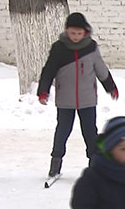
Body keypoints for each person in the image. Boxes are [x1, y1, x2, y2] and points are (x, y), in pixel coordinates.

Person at [38, 12, 119, 178]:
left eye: (79, 33)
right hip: (65, 100)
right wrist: (43, 91)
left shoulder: (91, 48)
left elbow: (101, 69)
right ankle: (55, 163)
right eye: (72, 33)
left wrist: (111, 87)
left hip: (87, 99)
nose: (75, 36)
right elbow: (49, 70)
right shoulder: (59, 48)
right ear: (67, 31)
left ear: (85, 32)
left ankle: (95, 164)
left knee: (90, 132)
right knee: (62, 131)